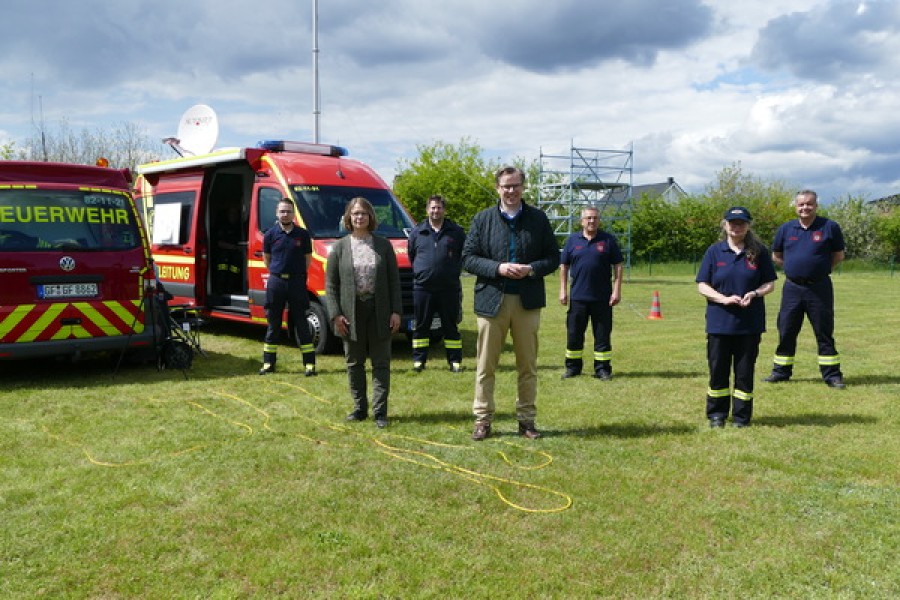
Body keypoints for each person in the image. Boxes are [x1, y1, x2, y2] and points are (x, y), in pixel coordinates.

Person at [462, 165, 559, 441]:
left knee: (527, 365)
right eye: (506, 186)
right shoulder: (482, 220)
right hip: (492, 301)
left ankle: (526, 421)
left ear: (523, 187)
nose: (511, 191)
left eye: (516, 185)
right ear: (498, 188)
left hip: (527, 302)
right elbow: (467, 258)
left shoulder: (538, 219)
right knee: (485, 366)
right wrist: (498, 267)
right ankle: (483, 420)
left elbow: (554, 257)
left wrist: (531, 269)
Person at [325, 197, 402, 429]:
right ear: (348, 217)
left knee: (381, 363)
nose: (360, 217)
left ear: (371, 217)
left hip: (379, 310)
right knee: (354, 363)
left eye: (364, 214)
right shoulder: (339, 247)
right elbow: (331, 285)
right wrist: (336, 314)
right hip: (350, 313)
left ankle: (380, 412)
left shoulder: (383, 245)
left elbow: (394, 282)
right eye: (355, 213)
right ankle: (359, 409)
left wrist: (396, 311)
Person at [696, 207, 776, 428]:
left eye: (741, 223)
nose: (736, 226)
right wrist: (722, 299)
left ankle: (741, 417)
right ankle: (716, 415)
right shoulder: (714, 252)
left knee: (744, 372)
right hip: (719, 322)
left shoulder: (758, 251)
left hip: (749, 324)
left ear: (748, 225)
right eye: (732, 222)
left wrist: (755, 293)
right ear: (725, 225)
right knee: (718, 370)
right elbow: (702, 284)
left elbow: (770, 283)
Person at [764, 190, 846, 388]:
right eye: (801, 204)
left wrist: (820, 270)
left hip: (819, 288)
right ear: (795, 207)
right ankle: (781, 372)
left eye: (809, 204)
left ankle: (832, 375)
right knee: (786, 330)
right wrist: (794, 269)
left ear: (816, 205)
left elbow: (838, 255)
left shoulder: (829, 227)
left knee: (824, 331)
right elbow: (776, 255)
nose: (805, 208)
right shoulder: (786, 229)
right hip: (792, 288)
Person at [559, 205, 624, 380]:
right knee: (574, 334)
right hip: (578, 298)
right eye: (588, 218)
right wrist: (562, 290)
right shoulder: (573, 241)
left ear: (599, 220)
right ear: (581, 221)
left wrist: (617, 290)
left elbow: (618, 265)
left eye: (595, 218)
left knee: (602, 335)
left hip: (602, 298)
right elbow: (564, 266)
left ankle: (602, 369)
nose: (591, 221)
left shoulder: (608, 240)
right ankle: (573, 368)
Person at [408, 194, 467, 373]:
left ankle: (454, 361)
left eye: (439, 207)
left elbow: (462, 256)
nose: (436, 211)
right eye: (432, 207)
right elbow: (412, 256)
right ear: (427, 210)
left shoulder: (456, 232)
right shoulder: (417, 232)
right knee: (421, 326)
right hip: (423, 288)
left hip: (448, 288)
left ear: (444, 210)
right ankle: (419, 361)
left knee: (450, 326)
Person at [259, 199, 317, 376]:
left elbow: (307, 258)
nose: (285, 214)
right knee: (273, 323)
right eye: (282, 211)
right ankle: (269, 363)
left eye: (288, 211)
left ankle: (309, 364)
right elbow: (267, 258)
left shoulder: (303, 234)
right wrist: (278, 273)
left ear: (293, 214)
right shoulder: (270, 234)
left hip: (296, 282)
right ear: (277, 213)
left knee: (301, 321)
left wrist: (297, 274)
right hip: (276, 282)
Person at [214, 204, 244, 293]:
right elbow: (219, 243)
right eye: (232, 213)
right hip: (224, 257)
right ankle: (221, 292)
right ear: (228, 214)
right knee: (222, 276)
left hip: (234, 257)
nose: (234, 216)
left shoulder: (239, 226)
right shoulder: (223, 226)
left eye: (236, 213)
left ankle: (232, 289)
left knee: (234, 276)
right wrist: (235, 247)